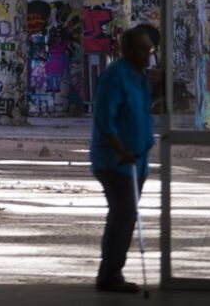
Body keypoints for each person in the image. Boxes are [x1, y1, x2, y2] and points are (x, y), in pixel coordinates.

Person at [90, 26, 156, 294]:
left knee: (125, 216)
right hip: (116, 162)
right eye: (142, 49)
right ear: (127, 50)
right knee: (123, 215)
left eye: (149, 50)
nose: (147, 55)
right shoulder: (115, 76)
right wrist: (122, 152)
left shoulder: (140, 76)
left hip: (136, 162)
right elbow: (106, 121)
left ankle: (112, 272)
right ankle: (109, 275)